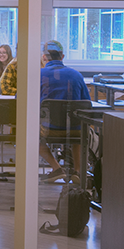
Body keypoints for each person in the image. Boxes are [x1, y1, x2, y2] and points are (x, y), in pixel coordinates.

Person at [37, 41, 89, 182]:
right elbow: (87, 103)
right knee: (78, 127)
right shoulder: (76, 75)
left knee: (30, 135)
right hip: (74, 130)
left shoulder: (38, 75)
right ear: (63, 56)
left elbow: (21, 98)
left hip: (48, 129)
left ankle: (56, 168)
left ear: (44, 58)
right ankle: (77, 171)